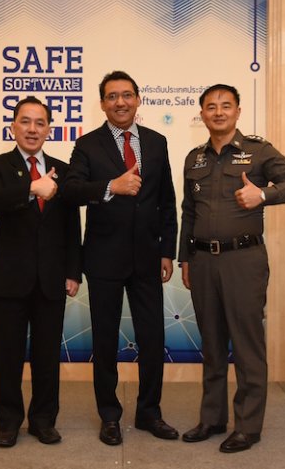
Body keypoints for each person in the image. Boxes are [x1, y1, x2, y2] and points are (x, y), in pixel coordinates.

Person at [178, 84, 285, 453]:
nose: (218, 112)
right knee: (212, 343)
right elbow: (189, 212)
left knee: (247, 345)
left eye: (225, 106)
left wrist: (263, 194)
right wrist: (186, 258)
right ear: (202, 114)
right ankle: (212, 418)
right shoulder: (194, 159)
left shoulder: (258, 151)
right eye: (211, 106)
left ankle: (248, 426)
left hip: (243, 261)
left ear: (237, 111)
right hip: (203, 261)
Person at [62, 70, 178, 446]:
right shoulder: (87, 144)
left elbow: (167, 201)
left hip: (148, 259)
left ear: (138, 99)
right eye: (112, 96)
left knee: (152, 338)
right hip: (103, 259)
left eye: (127, 95)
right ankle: (109, 416)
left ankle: (149, 412)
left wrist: (167, 250)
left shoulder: (157, 142)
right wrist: (112, 186)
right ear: (102, 104)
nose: (120, 102)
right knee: (106, 341)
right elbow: (71, 190)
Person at [0, 96, 82, 448]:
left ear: (49, 129)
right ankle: (8, 422)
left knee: (47, 355)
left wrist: (73, 271)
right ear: (13, 127)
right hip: (11, 278)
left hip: (52, 279)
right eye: (25, 121)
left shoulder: (63, 170)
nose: (33, 129)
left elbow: (71, 225)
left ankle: (43, 421)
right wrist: (31, 188)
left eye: (40, 123)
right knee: (7, 356)